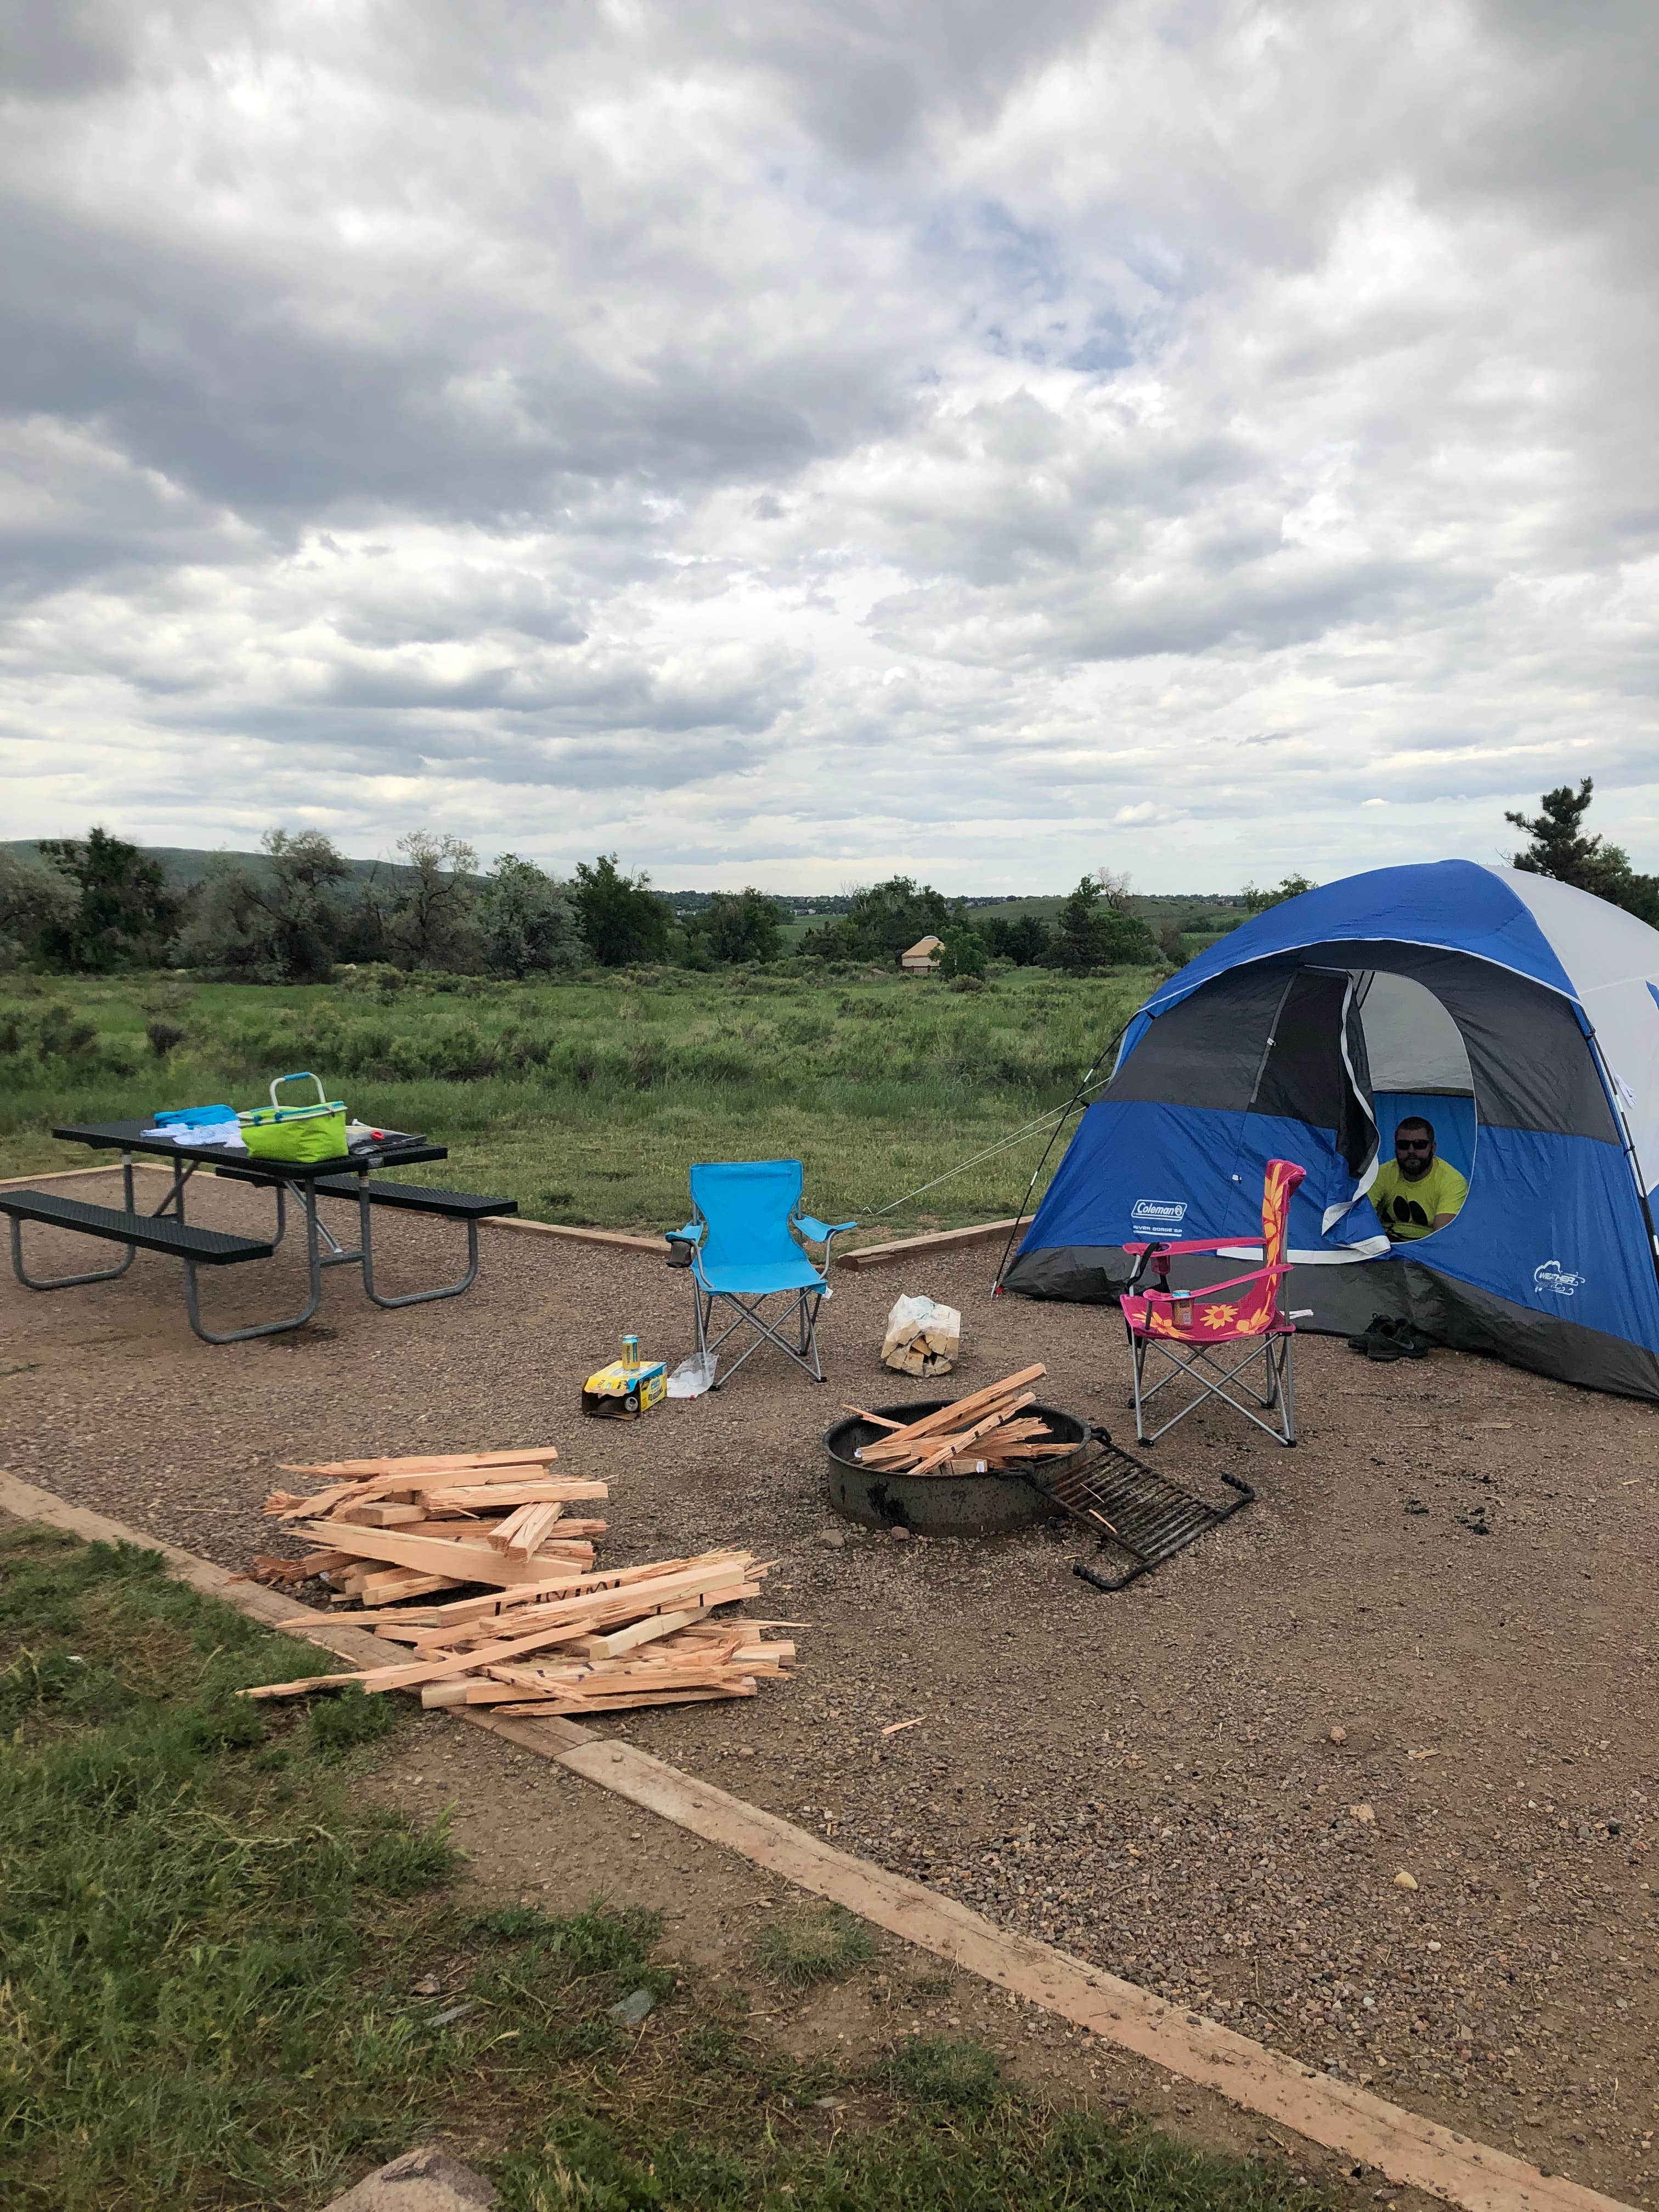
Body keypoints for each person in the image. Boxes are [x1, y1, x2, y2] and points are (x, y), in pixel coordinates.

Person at [1370, 1116, 1468, 1241]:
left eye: (1420, 1145)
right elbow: (1360, 1220)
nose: (1411, 1151)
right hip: (1384, 1247)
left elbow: (1442, 1238)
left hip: (1426, 1251)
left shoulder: (1453, 1182)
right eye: (1403, 1145)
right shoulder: (1381, 1174)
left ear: (1433, 1148)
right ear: (1396, 1148)